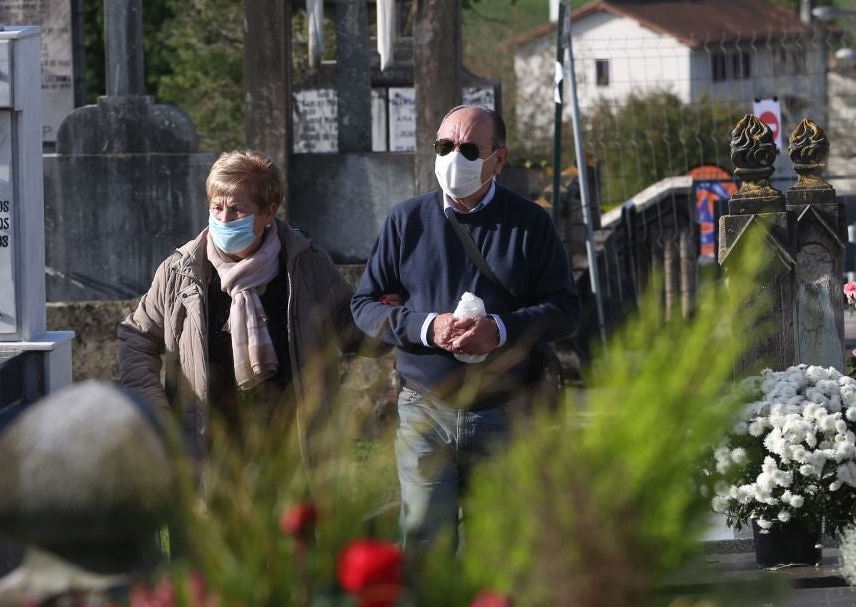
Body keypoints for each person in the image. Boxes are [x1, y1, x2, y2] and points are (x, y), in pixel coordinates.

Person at [352, 105, 580, 549]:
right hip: (425, 410)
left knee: (499, 551)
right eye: (444, 146)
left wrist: (501, 328)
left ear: (499, 159)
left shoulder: (531, 224)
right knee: (422, 546)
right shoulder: (407, 221)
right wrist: (426, 327)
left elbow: (566, 310)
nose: (454, 157)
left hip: (505, 412)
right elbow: (364, 305)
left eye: (470, 149)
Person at [118, 151, 356, 458]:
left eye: (237, 211)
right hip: (209, 445)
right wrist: (153, 407)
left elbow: (351, 325)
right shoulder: (182, 271)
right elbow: (136, 336)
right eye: (216, 208)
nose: (224, 220)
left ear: (268, 213)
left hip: (294, 445)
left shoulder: (305, 263)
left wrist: (397, 315)